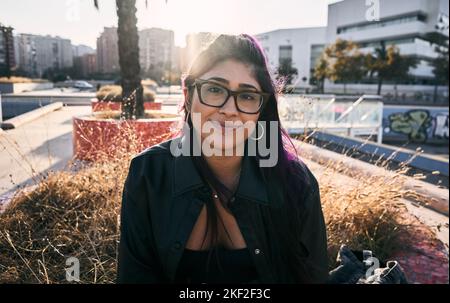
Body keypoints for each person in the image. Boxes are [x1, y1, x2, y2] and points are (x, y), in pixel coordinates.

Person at [117, 34, 328, 284]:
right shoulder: (148, 174)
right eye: (215, 90)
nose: (229, 109)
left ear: (261, 109)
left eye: (248, 96)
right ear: (188, 94)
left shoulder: (297, 182)